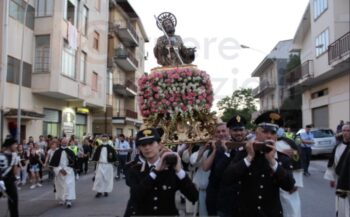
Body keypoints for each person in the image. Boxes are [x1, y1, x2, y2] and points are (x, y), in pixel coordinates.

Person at [223, 111, 295, 217]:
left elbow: (289, 186)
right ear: (257, 133)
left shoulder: (281, 158)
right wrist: (249, 158)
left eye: (273, 133)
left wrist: (272, 162)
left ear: (276, 137)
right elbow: (227, 178)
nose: (269, 136)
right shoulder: (244, 153)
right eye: (265, 131)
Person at [123, 128, 198, 216]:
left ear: (159, 145)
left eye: (151, 143)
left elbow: (193, 196)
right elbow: (136, 196)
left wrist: (179, 171)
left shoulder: (170, 168)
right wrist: (155, 172)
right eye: (143, 145)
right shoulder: (133, 168)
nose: (147, 147)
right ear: (139, 148)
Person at [324, 123, 350, 217]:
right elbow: (333, 163)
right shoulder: (338, 147)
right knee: (342, 204)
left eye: (348, 131)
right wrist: (332, 178)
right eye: (344, 130)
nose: (346, 133)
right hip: (341, 180)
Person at [276, 128, 303, 217]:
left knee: (291, 209)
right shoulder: (262, 144)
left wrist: (297, 183)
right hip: (271, 185)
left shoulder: (290, 144)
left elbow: (297, 163)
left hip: (289, 184)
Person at [49, 138, 76, 208]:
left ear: (67, 143)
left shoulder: (70, 152)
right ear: (61, 143)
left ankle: (68, 200)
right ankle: (61, 199)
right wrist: (60, 170)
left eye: (65, 142)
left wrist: (66, 170)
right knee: (60, 186)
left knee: (68, 185)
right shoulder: (57, 152)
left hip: (68, 172)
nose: (64, 143)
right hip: (59, 172)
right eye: (63, 142)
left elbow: (73, 163)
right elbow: (53, 163)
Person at [0, 138, 20, 217]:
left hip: (4, 181)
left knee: (13, 202)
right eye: (15, 144)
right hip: (7, 182)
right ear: (10, 145)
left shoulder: (2, 154)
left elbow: (14, 172)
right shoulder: (13, 155)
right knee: (13, 203)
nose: (16, 146)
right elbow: (15, 172)